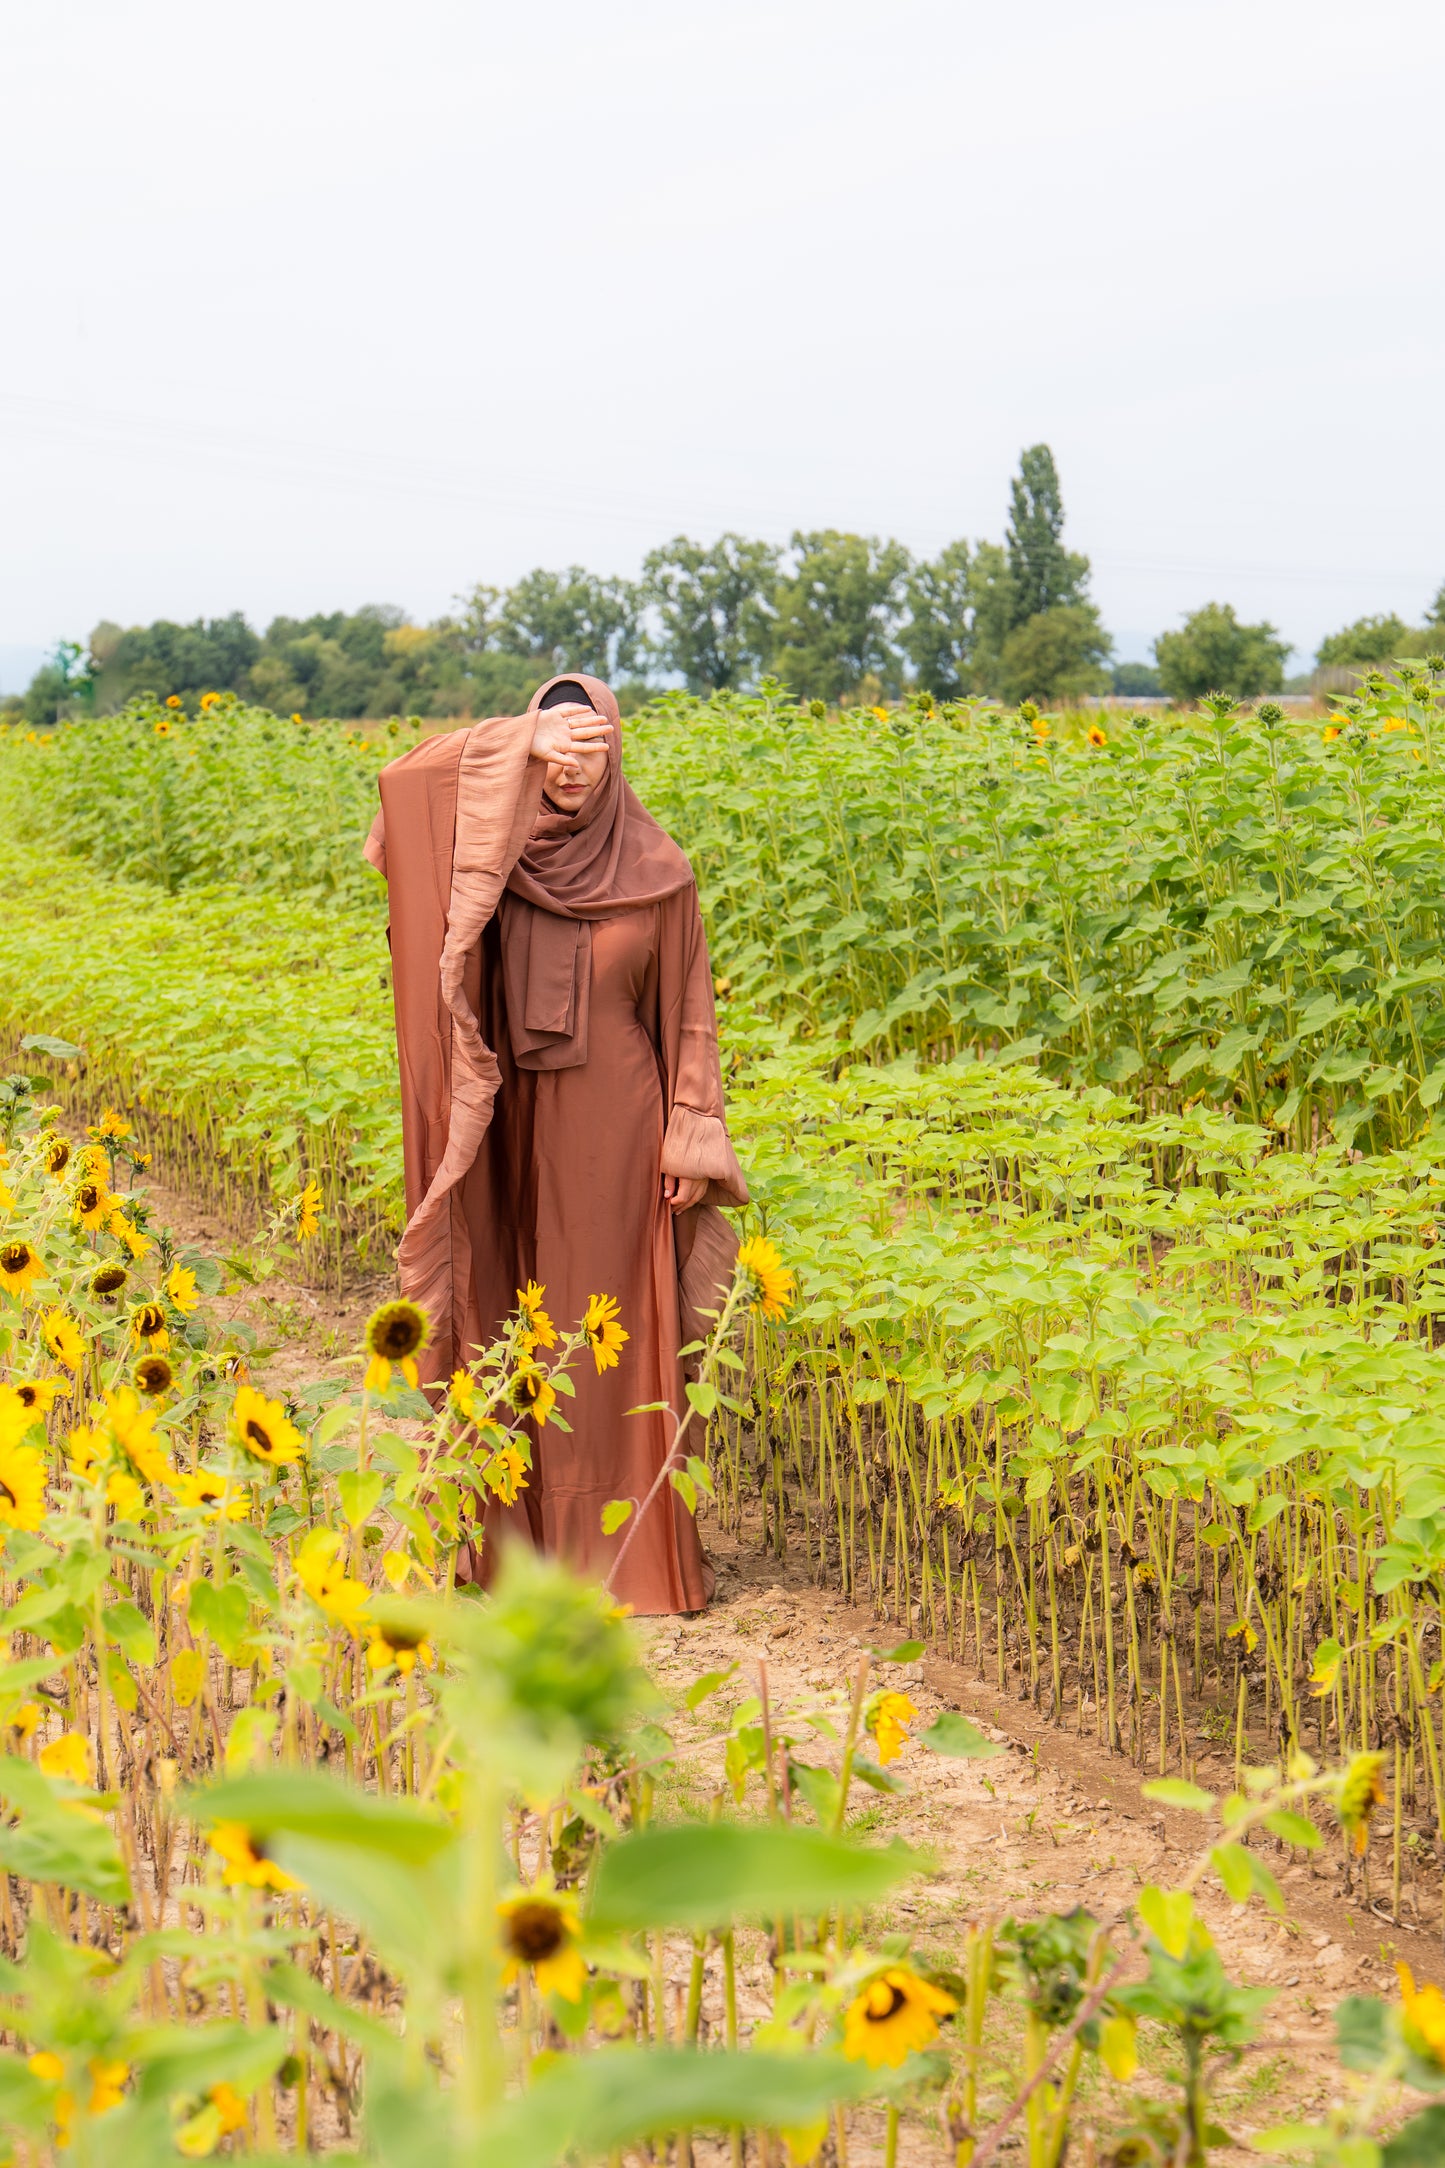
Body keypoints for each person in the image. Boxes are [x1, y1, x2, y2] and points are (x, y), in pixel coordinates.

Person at [363, 673, 747, 1613]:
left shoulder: (658, 869)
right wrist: (516, 739)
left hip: (620, 1126)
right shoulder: (490, 858)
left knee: (609, 1318)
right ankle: (514, 1551)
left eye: (589, 747)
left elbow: (688, 1012)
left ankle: (626, 1560)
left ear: (618, 752)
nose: (571, 770)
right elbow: (404, 788)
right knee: (506, 1304)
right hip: (501, 1125)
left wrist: (689, 1135)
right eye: (556, 750)